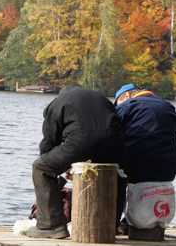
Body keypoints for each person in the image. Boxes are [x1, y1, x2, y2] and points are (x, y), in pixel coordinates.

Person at [26, 86, 122, 239]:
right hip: (114, 142)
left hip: (80, 141)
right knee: (114, 171)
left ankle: (50, 226)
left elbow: (49, 142)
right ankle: (112, 225)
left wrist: (54, 166)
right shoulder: (101, 98)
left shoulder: (57, 103)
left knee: (41, 168)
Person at [113, 83, 176, 232]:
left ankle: (113, 222)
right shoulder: (167, 106)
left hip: (140, 165)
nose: (117, 107)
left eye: (117, 102)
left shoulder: (128, 105)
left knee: (115, 173)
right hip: (170, 166)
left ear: (126, 96)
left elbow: (111, 130)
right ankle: (137, 222)